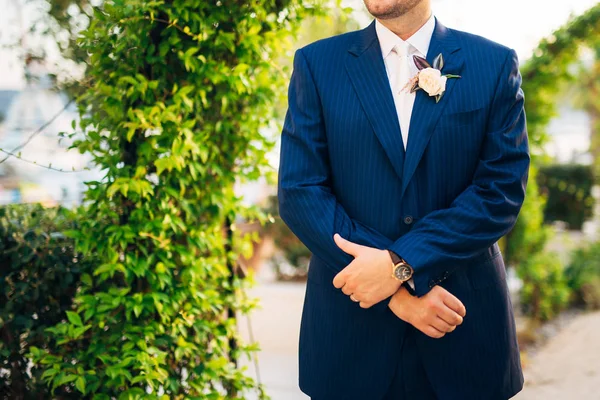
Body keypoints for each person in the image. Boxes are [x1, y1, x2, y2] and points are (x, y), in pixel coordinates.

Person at [277, 0, 529, 399]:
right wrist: (397, 291)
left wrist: (401, 263)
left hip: (461, 329)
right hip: (350, 340)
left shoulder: (493, 63)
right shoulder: (317, 64)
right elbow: (300, 191)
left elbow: (499, 191)